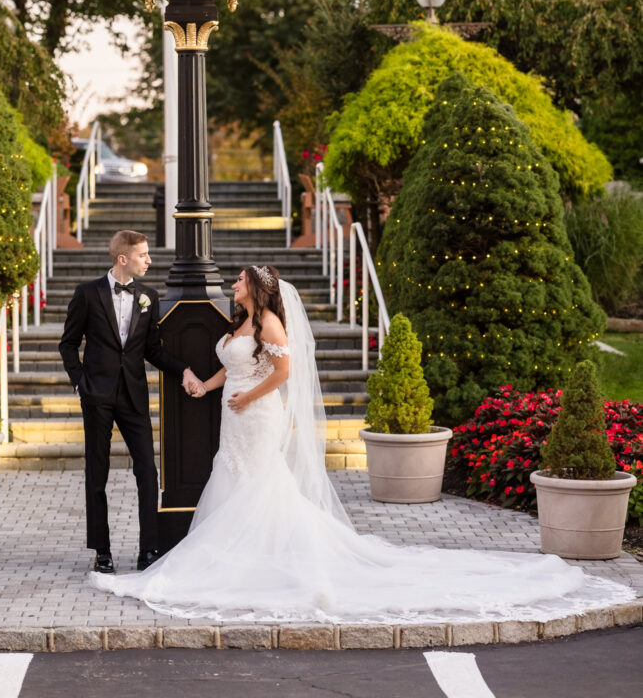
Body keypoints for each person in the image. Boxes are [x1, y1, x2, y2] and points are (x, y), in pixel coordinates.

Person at [92, 264, 634, 623]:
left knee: (260, 484)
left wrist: (247, 397)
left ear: (255, 290)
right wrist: (203, 384)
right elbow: (228, 370)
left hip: (258, 415)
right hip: (236, 413)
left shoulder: (274, 324)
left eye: (237, 283)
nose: (231, 287)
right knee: (235, 480)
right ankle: (251, 553)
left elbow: (284, 376)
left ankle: (265, 556)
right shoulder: (241, 324)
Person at [60, 230, 200, 574]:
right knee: (97, 472)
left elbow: (152, 350)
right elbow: (68, 344)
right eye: (143, 255)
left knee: (147, 471)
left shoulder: (149, 296)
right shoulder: (87, 294)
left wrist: (183, 370)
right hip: (97, 395)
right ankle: (102, 551)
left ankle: (148, 549)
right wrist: (80, 383)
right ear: (123, 259)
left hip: (134, 394)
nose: (149, 260)